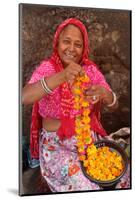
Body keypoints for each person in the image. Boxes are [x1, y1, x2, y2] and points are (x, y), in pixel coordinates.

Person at [22, 18, 130, 192]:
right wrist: (63, 76)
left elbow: (114, 105)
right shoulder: (47, 68)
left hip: (88, 141)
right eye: (66, 42)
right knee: (85, 186)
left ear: (84, 48)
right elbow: (25, 97)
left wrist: (106, 95)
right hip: (57, 145)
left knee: (124, 176)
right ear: (57, 43)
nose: (71, 48)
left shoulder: (90, 70)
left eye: (78, 44)